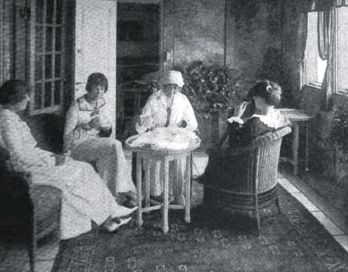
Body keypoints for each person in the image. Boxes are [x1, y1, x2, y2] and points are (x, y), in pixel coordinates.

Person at [0, 80, 135, 239]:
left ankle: (110, 211)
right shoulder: (7, 122)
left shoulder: (10, 118)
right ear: (16, 98)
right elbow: (20, 156)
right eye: (26, 97)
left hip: (34, 164)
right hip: (26, 173)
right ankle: (107, 218)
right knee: (78, 173)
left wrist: (53, 156)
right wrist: (52, 160)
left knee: (83, 169)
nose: (29, 100)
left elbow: (29, 151)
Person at [64, 73, 137, 206]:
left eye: (102, 89)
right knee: (115, 145)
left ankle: (111, 196)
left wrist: (106, 126)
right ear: (88, 87)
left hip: (95, 143)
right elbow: (67, 136)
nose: (99, 92)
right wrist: (86, 126)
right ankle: (125, 191)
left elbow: (107, 131)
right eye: (96, 88)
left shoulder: (101, 103)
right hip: (78, 146)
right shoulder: (76, 107)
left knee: (112, 152)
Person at [202, 79, 290, 184]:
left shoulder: (255, 121)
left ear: (260, 99)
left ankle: (212, 188)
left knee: (215, 154)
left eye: (255, 96)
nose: (254, 99)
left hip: (245, 171)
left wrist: (236, 117)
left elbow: (234, 144)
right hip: (264, 169)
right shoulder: (279, 117)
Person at [135, 70, 198, 204]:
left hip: (175, 135)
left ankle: (177, 193)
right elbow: (144, 121)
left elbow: (192, 122)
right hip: (157, 135)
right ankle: (155, 193)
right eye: (169, 86)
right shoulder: (154, 99)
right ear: (163, 85)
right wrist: (144, 122)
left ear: (179, 87)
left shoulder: (182, 99)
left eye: (176, 87)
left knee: (179, 156)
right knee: (157, 154)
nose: (173, 90)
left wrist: (183, 129)